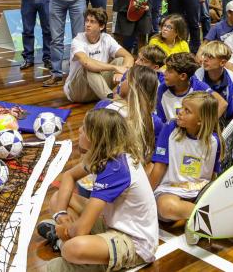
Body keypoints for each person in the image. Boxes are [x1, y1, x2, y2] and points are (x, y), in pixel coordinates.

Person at [37, 110, 158, 271]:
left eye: (84, 128)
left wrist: (65, 231)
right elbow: (69, 176)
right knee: (58, 198)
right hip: (112, 223)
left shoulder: (116, 168)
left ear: (95, 138)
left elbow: (80, 230)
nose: (79, 130)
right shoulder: (105, 154)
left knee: (72, 248)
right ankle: (82, 252)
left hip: (135, 244)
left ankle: (75, 254)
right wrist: (61, 214)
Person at [149, 91, 221, 223]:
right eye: (182, 107)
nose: (180, 112)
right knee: (166, 207)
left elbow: (213, 174)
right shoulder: (170, 129)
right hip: (172, 190)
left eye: (187, 111)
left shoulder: (215, 141)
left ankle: (197, 217)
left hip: (200, 191)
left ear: (200, 120)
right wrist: (146, 199)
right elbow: (159, 167)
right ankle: (213, 218)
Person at [64, 8, 135, 103]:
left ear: (101, 26)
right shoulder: (77, 40)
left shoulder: (106, 38)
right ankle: (113, 101)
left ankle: (118, 94)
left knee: (121, 60)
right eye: (87, 21)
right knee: (88, 66)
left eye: (92, 22)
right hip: (78, 92)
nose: (87, 24)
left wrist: (121, 72)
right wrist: (115, 68)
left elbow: (129, 57)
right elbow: (86, 62)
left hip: (98, 89)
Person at [154, 52, 220, 122]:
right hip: (172, 131)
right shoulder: (162, 89)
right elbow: (162, 121)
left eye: (169, 71)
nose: (164, 73)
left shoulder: (199, 87)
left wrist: (206, 125)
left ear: (183, 76)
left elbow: (222, 103)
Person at [195, 41, 233, 125]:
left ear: (222, 63)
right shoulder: (197, 78)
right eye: (204, 55)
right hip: (202, 121)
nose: (204, 59)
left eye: (210, 57)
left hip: (227, 121)